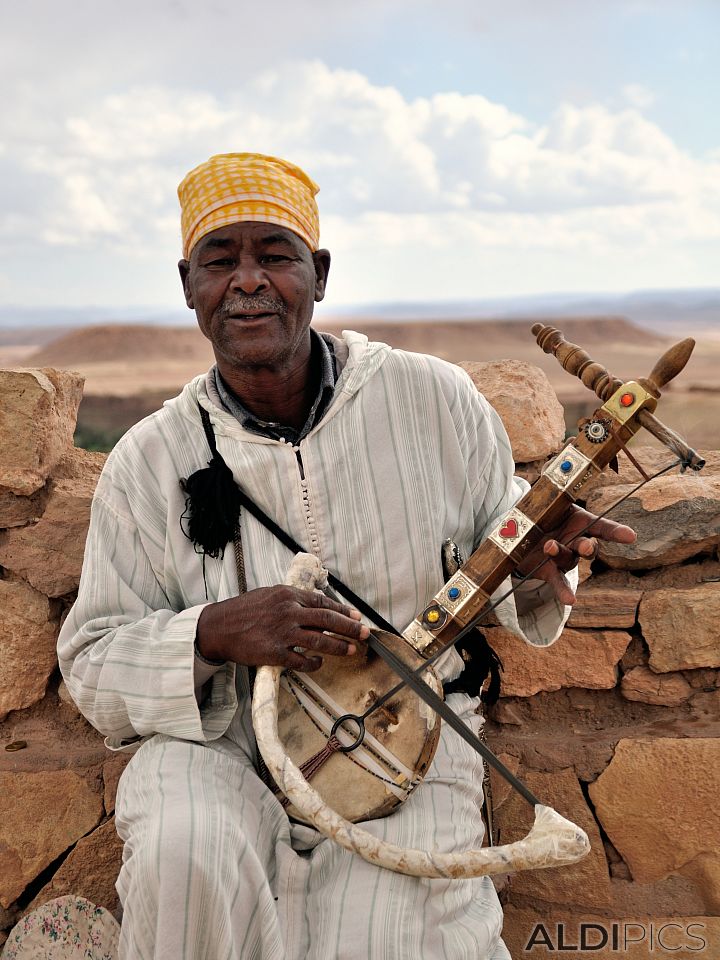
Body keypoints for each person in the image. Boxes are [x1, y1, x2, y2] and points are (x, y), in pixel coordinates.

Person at [58, 152, 635, 960]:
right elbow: (90, 659)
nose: (249, 281)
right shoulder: (149, 460)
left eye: (276, 256)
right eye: (221, 261)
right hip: (220, 746)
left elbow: (503, 550)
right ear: (189, 285)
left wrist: (541, 560)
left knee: (389, 932)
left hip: (405, 737)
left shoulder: (433, 400)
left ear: (318, 275)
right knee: (184, 860)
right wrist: (212, 634)